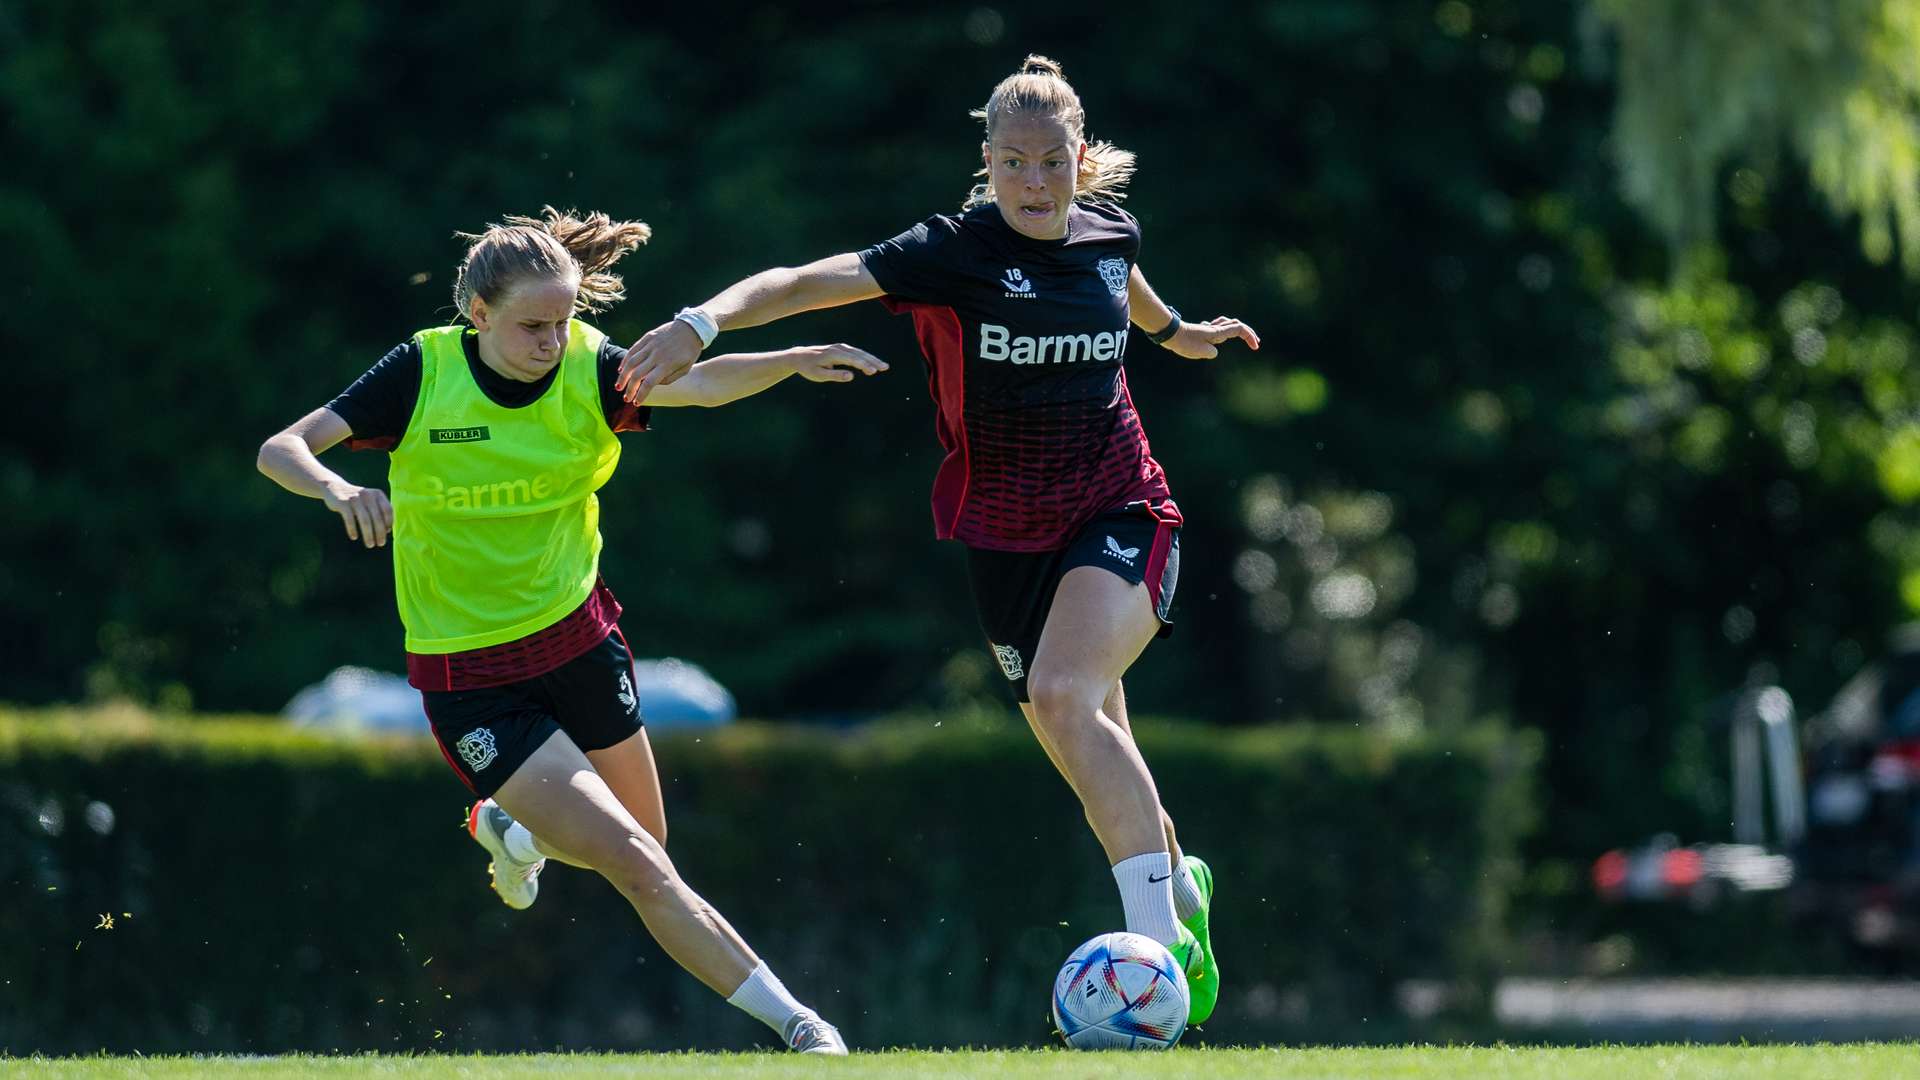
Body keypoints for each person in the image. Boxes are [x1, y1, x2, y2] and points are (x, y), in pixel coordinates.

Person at [612, 56, 1259, 1026]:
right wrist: (699, 323)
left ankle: (1155, 962)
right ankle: (1181, 887)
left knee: (1065, 695)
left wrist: (1177, 335)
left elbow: (1124, 279)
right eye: (1012, 164)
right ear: (986, 162)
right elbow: (798, 282)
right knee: (1087, 739)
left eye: (1051, 163)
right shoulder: (950, 250)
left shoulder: (1110, 231)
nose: (1034, 185)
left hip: (1122, 506)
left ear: (1082, 160)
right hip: (1003, 538)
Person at [257, 207, 885, 1054]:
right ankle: (806, 1030)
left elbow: (697, 382)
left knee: (646, 849)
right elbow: (283, 446)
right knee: (636, 863)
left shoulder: (588, 366)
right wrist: (339, 490)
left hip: (582, 645)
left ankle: (512, 828)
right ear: (476, 313)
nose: (553, 341)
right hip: (473, 681)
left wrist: (794, 360)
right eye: (532, 325)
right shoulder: (421, 370)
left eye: (563, 321)